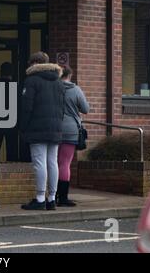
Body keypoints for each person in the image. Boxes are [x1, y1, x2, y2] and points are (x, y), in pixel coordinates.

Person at [20, 51, 65, 211]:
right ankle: (52, 198)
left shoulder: (32, 80)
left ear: (34, 63)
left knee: (39, 163)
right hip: (55, 128)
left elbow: (27, 107)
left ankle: (40, 198)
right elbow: (62, 107)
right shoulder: (59, 82)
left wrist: (23, 127)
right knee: (52, 162)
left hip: (37, 128)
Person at [57, 66, 89, 207]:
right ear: (70, 75)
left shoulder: (53, 88)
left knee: (52, 162)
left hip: (53, 128)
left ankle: (51, 195)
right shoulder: (75, 90)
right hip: (70, 130)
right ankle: (63, 197)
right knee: (64, 163)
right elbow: (85, 109)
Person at [0, 62, 18, 161]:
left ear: (0, 72)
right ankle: (13, 170)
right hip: (12, 121)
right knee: (12, 149)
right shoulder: (16, 85)